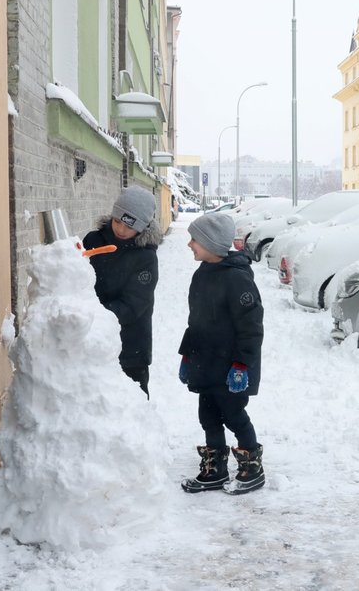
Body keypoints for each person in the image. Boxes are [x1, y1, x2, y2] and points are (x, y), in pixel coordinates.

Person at [178, 213, 265, 495]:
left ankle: (252, 468)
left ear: (211, 243)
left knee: (234, 415)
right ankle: (215, 469)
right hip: (206, 363)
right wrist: (187, 355)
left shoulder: (237, 280)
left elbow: (251, 328)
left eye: (195, 239)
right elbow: (196, 322)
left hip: (231, 367)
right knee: (208, 416)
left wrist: (242, 364)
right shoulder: (202, 274)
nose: (190, 244)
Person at [83, 187, 161, 398]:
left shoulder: (145, 257)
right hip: (90, 341)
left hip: (130, 347)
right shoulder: (93, 240)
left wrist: (95, 317)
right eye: (118, 221)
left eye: (130, 225)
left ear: (143, 226)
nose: (121, 230)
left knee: (131, 408)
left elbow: (134, 304)